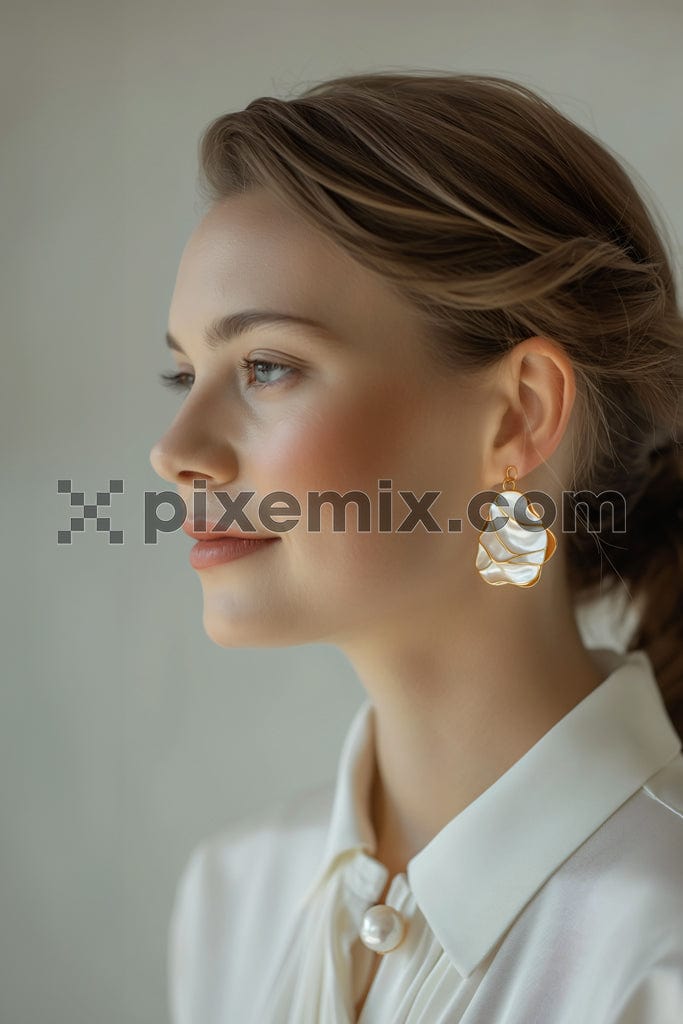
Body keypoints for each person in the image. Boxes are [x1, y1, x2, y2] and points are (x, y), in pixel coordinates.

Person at [149, 71, 683, 1023]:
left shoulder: (660, 955)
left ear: (518, 415)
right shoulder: (231, 902)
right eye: (184, 372)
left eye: (266, 366)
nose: (174, 451)